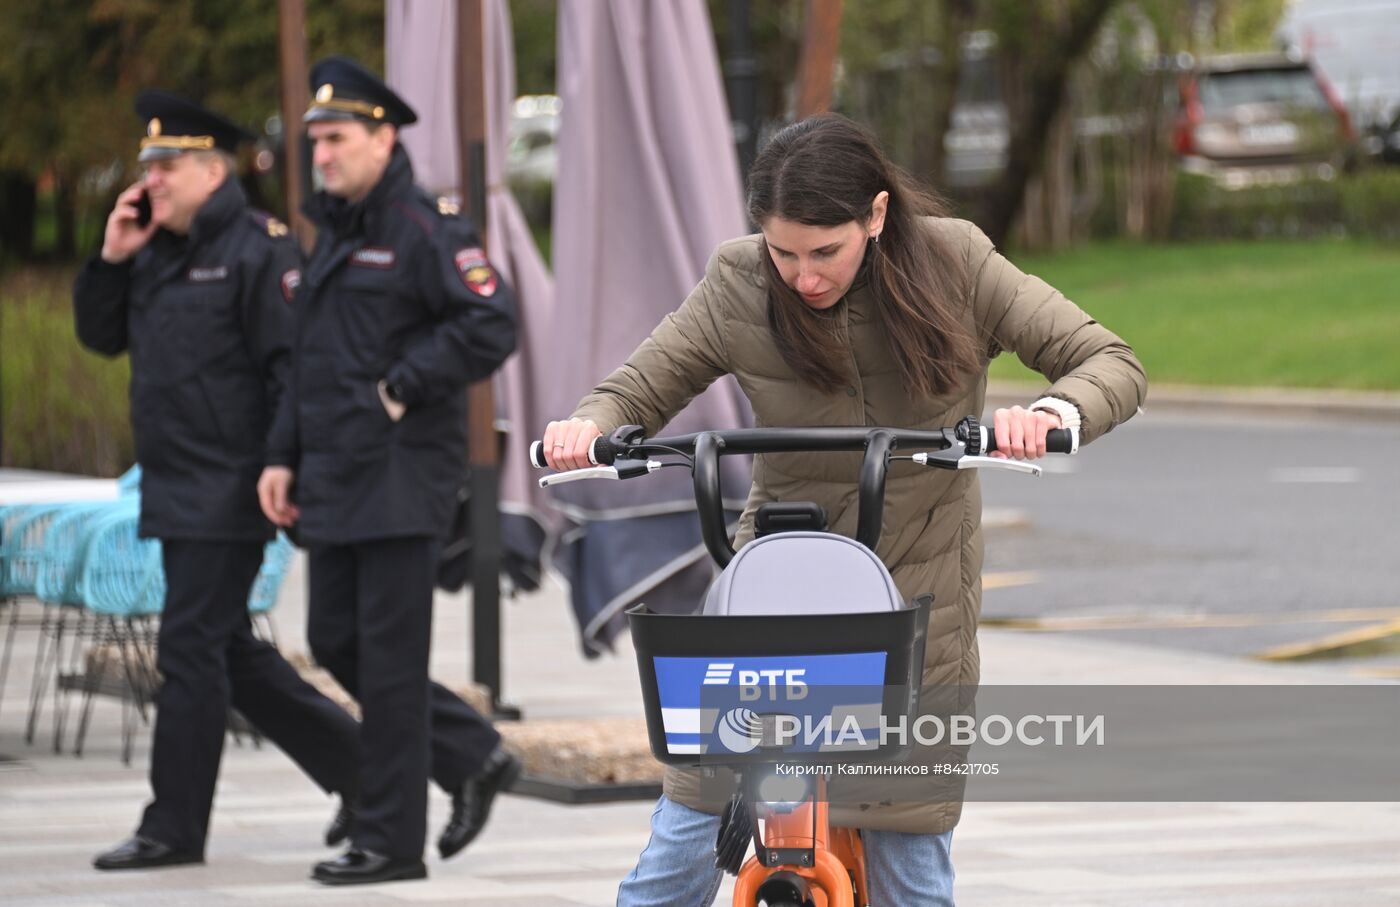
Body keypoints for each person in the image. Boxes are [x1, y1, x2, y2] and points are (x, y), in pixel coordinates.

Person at [542, 114, 1148, 905]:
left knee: (909, 863)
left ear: (877, 214)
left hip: (916, 585)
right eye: (783, 252)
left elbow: (1109, 361)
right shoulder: (738, 279)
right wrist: (587, 427)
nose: (802, 275)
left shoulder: (955, 259)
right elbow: (638, 386)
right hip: (776, 583)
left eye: (824, 251)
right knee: (680, 843)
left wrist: (1054, 414)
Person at [73, 91, 362, 871]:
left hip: (230, 487)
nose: (151, 180)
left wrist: (280, 463)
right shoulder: (154, 248)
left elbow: (290, 372)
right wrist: (111, 255)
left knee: (190, 647)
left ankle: (172, 825)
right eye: (148, 167)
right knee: (225, 649)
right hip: (173, 484)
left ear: (210, 169)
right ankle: (364, 772)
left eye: (165, 166)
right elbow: (100, 337)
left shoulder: (258, 249)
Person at [256, 57, 520, 886]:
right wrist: (281, 454)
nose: (322, 154)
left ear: (383, 135)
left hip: (403, 474)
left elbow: (491, 321)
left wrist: (404, 384)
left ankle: (389, 842)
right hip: (334, 469)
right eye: (316, 140)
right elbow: (308, 359)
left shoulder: (425, 224)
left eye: (336, 138)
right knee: (334, 638)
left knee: (389, 656)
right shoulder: (333, 228)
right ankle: (473, 753)